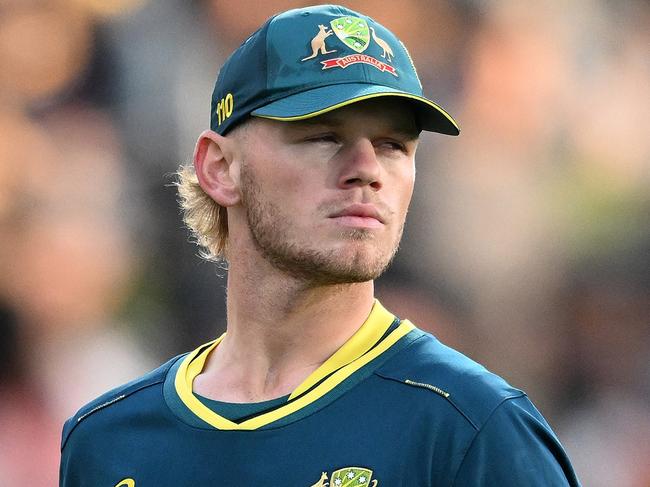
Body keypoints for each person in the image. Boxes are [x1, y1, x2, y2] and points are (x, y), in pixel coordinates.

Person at [59, 5, 581, 486]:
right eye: (322, 136)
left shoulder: (472, 428)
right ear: (220, 168)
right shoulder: (107, 441)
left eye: (392, 145)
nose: (367, 170)